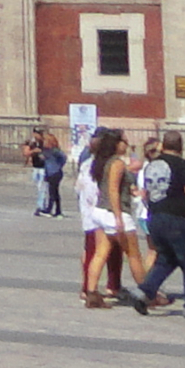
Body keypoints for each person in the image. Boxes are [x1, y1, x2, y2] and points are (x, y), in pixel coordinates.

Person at [130, 134, 185, 318]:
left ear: (163, 145)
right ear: (181, 146)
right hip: (181, 219)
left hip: (156, 217)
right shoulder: (182, 165)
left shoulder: (152, 165)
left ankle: (145, 291)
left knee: (167, 259)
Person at [76, 128, 132, 308]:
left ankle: (110, 285)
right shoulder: (107, 165)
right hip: (100, 214)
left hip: (95, 213)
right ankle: (89, 289)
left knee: (108, 252)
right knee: (97, 252)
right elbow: (100, 191)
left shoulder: (93, 164)